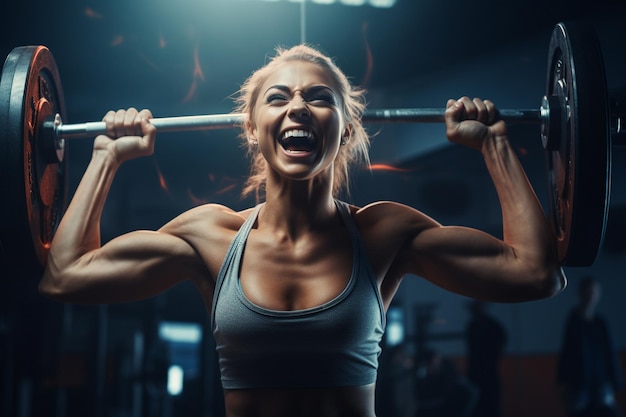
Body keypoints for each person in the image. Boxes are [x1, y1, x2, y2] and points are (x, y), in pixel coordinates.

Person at [39, 44, 566, 417]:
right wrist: (105, 157)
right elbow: (65, 275)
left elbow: (536, 273)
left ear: (346, 127)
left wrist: (496, 145)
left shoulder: (383, 233)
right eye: (278, 98)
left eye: (319, 97)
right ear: (251, 127)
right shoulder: (210, 238)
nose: (297, 107)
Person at [557, 276, 623, 417]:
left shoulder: (601, 323)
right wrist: (562, 381)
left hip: (600, 381)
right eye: (588, 291)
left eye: (593, 292)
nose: (590, 296)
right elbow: (567, 352)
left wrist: (615, 381)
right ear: (581, 293)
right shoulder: (574, 322)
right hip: (579, 383)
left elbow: (609, 353)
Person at [465, 300, 508, 417]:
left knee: (490, 407)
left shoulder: (490, 326)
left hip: (488, 373)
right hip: (479, 374)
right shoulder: (473, 326)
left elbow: (501, 345)